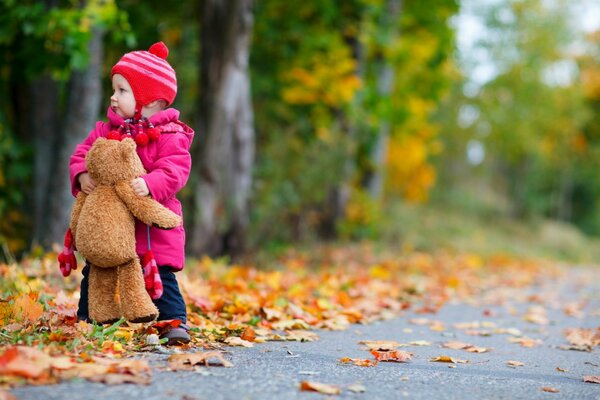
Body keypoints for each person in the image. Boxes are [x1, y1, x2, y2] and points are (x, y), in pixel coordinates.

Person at [69, 42, 194, 345]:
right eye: (114, 89)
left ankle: (173, 323)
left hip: (152, 230)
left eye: (122, 91)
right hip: (111, 227)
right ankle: (90, 318)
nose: (113, 97)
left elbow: (176, 169)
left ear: (151, 100)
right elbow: (81, 154)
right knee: (96, 271)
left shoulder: (170, 135)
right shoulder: (105, 131)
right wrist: (82, 174)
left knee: (160, 278)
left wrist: (151, 184)